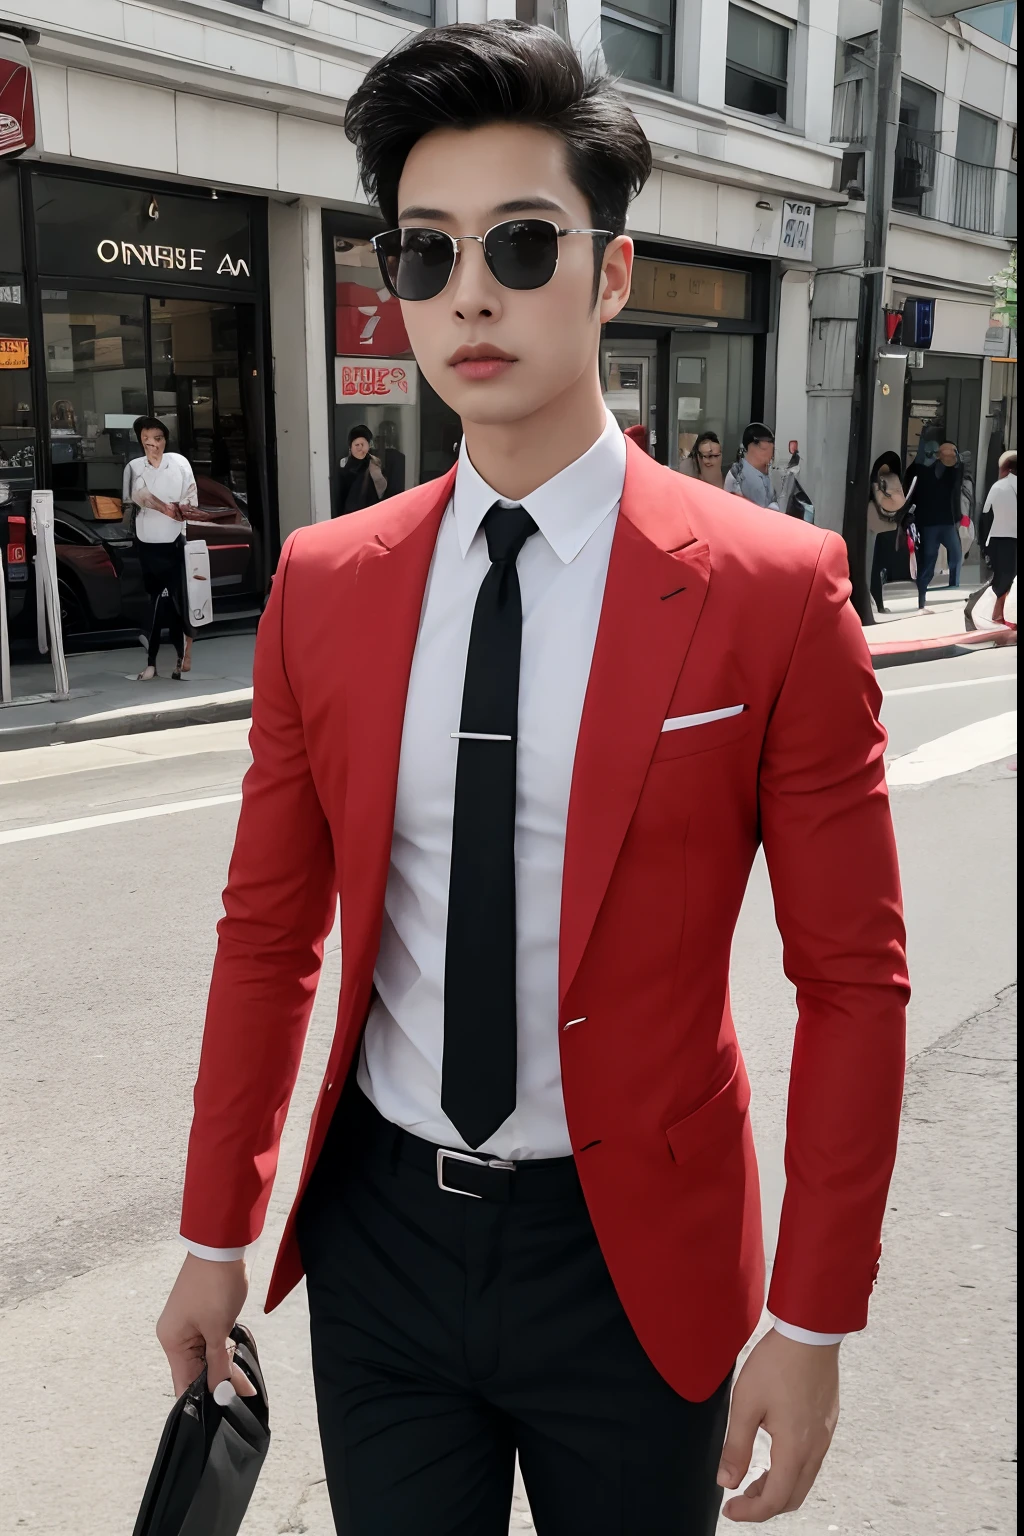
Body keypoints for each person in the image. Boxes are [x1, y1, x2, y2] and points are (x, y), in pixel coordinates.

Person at [157, 23, 908, 1535]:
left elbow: (853, 980)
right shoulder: (326, 582)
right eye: (425, 254)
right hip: (383, 1249)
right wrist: (214, 1231)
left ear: (611, 274)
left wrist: (814, 1322)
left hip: (637, 1261)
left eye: (519, 241)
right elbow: (268, 933)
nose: (471, 291)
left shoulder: (774, 590)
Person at [124, 417, 197, 680]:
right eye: (147, 439)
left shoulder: (179, 463)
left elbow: (190, 499)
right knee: (155, 602)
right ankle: (155, 661)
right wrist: (167, 508)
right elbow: (136, 496)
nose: (153, 443)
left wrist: (181, 515)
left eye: (158, 438)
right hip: (147, 543)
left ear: (165, 440)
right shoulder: (134, 467)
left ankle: (180, 656)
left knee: (176, 601)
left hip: (174, 542)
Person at [905, 439, 964, 609]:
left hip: (945, 521)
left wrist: (956, 460)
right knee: (929, 558)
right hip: (928, 523)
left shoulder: (945, 469)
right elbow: (911, 494)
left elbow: (956, 479)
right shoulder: (917, 470)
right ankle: (921, 593)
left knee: (956, 553)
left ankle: (953, 583)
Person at [867, 451, 908, 615]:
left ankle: (878, 602)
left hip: (878, 523)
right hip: (890, 523)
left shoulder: (877, 481)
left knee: (875, 567)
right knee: (880, 567)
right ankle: (879, 603)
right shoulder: (894, 478)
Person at [981, 450, 1017, 626]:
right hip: (1011, 539)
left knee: (1001, 577)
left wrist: (983, 544)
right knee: (1009, 578)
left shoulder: (997, 487)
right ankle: (1001, 613)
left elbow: (985, 515)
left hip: (998, 539)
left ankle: (995, 613)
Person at [724, 422, 780, 508]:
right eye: (764, 447)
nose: (770, 453)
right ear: (751, 447)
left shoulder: (769, 472)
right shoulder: (741, 474)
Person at [335, 424, 388, 514]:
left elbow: (382, 491)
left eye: (363, 444)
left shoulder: (375, 463)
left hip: (371, 514)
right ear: (350, 447)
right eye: (357, 444)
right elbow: (340, 497)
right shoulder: (344, 466)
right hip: (351, 517)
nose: (360, 448)